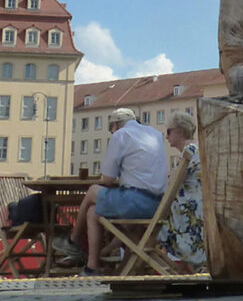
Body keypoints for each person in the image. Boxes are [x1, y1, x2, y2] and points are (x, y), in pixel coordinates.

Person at [53, 107, 167, 275]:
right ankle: (92, 267)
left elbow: (107, 179)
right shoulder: (155, 134)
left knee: (93, 191)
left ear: (114, 126)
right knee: (93, 212)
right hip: (157, 206)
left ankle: (74, 240)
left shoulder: (121, 135)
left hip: (134, 203)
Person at [157, 111, 206, 271]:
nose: (166, 136)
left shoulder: (189, 151)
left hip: (186, 218)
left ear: (180, 131)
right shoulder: (198, 149)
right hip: (199, 213)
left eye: (169, 131)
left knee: (140, 223)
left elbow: (172, 185)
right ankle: (190, 270)